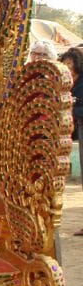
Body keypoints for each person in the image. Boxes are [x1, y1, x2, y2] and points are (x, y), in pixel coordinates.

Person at [60, 46, 83, 235]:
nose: (68, 66)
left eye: (70, 63)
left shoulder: (81, 83)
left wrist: (70, 107)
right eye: (65, 63)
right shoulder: (63, 82)